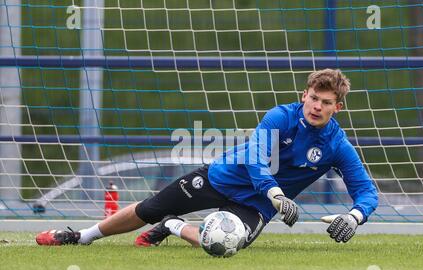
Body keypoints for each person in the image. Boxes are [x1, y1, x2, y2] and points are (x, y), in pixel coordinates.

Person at [35, 69, 378, 249]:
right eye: (314, 98)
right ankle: (80, 236)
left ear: (338, 108)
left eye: (326, 102)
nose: (317, 106)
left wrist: (354, 216)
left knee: (227, 246)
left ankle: (172, 225)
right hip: (222, 177)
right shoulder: (279, 117)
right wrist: (277, 195)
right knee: (147, 209)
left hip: (255, 205)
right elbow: (259, 162)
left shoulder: (337, 146)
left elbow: (366, 191)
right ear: (304, 95)